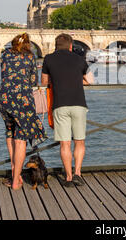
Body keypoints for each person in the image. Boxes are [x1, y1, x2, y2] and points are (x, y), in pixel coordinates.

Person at [41, 33, 94, 187]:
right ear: (71, 46)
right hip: (78, 104)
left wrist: (57, 80)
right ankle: (78, 173)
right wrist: (77, 80)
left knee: (65, 144)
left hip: (60, 105)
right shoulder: (79, 59)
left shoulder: (48, 59)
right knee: (79, 141)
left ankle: (68, 176)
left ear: (55, 46)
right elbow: (90, 80)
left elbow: (44, 82)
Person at [0, 33, 47, 190]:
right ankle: (15, 182)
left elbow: (4, 73)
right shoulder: (30, 57)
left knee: (10, 133)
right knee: (20, 140)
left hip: (5, 98)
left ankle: (15, 173)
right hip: (22, 100)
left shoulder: (5, 54)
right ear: (28, 45)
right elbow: (33, 81)